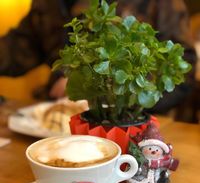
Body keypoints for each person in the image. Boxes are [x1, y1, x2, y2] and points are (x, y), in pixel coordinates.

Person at [0, 0, 197, 113]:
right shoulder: (48, 3)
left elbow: (181, 71)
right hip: (56, 124)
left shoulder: (162, 4)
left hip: (133, 126)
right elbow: (19, 48)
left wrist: (93, 87)